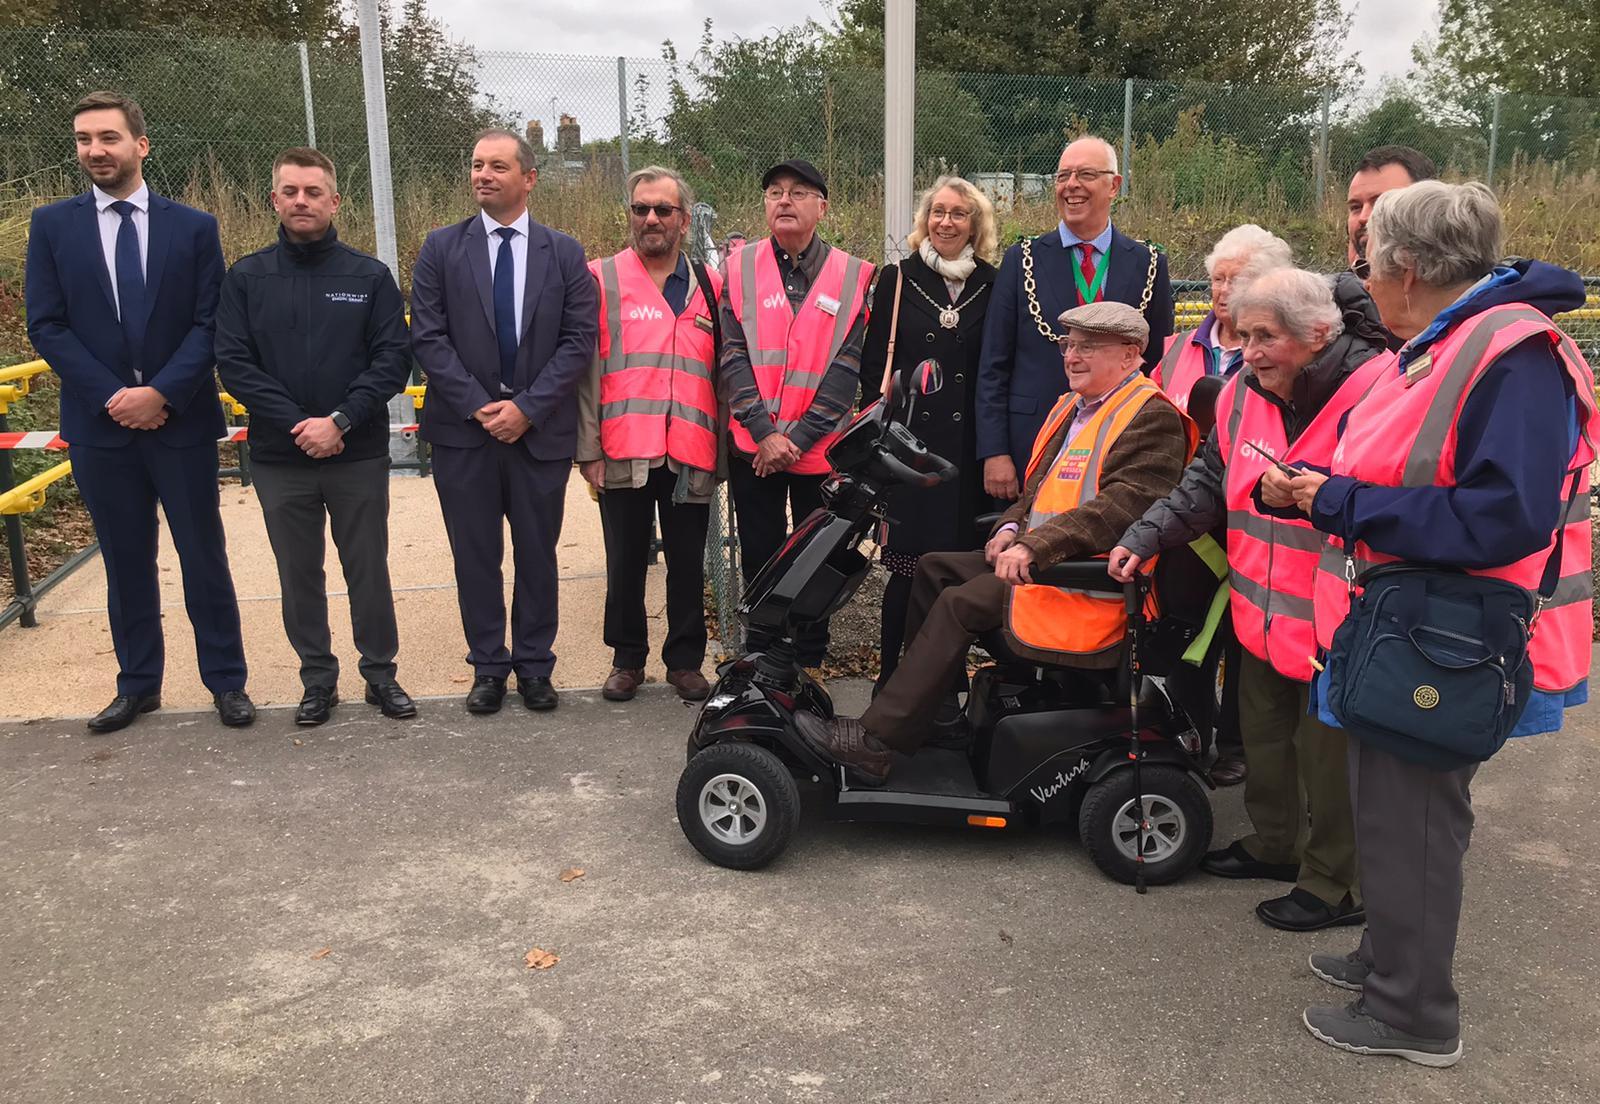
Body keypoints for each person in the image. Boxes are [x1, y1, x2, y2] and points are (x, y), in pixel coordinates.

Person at [1276, 182, 1597, 1067]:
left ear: (1406, 267)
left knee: (1416, 818)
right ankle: (1389, 959)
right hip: (1412, 619)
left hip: (1449, 630)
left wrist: (1343, 502)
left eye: (1366, 259)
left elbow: (1506, 515)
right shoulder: (1457, 340)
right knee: (1389, 811)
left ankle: (1414, 1012)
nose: (1363, 276)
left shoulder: (1512, 352)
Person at [798, 301, 1191, 784]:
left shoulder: (1152, 418)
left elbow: (1119, 511)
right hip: (1052, 567)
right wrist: (1009, 528)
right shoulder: (1078, 406)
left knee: (963, 603)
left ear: (1131, 355)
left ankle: (877, 742)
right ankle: (936, 718)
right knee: (933, 568)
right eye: (1068, 345)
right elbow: (1038, 491)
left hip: (1091, 589)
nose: (1071, 356)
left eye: (1089, 347)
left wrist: (1033, 546)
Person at [1112, 267, 1388, 932]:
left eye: (1268, 336)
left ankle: (1335, 884)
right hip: (1262, 611)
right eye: (1245, 335)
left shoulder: (1376, 393)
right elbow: (1208, 479)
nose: (1252, 350)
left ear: (1319, 335)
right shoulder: (1241, 392)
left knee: (1328, 757)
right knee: (1264, 737)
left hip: (1337, 619)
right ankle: (1276, 845)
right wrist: (1147, 535)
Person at [24, 91, 254, 732]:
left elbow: (212, 323)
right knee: (125, 561)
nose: (95, 150)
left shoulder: (194, 228)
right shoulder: (53, 225)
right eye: (83, 139)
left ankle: (227, 682)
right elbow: (46, 324)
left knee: (202, 555)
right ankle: (138, 685)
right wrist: (114, 396)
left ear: (140, 145)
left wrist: (161, 393)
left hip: (179, 421)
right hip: (101, 428)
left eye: (108, 137)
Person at [214, 147, 414, 727]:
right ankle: (317, 681)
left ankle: (381, 675)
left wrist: (341, 421)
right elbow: (235, 363)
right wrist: (299, 425)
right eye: (290, 192)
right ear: (274, 199)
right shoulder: (247, 278)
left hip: (357, 452)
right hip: (281, 456)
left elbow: (390, 361)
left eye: (313, 192)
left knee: (367, 569)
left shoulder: (369, 277)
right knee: (298, 574)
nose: (302, 201)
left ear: (334, 201)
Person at [411, 128, 598, 715]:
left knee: (537, 554)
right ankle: (488, 666)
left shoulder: (564, 253)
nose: (483, 175)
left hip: (538, 435)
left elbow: (578, 340)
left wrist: (528, 408)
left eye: (497, 166)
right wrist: (480, 405)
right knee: (475, 554)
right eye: (476, 165)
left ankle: (536, 666)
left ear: (529, 178)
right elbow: (428, 337)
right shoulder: (441, 248)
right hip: (464, 434)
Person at [1150, 224, 1294, 787]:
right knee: (1184, 632)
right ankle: (1191, 728)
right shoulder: (1173, 350)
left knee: (1246, 640)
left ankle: (1239, 746)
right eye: (1217, 277)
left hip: (1259, 523)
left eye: (1239, 277)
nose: (1224, 288)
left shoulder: (1287, 354)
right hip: (1189, 522)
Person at [719, 159, 873, 680]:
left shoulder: (855, 276)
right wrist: (765, 433)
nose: (784, 200)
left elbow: (848, 368)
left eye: (799, 192)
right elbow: (732, 354)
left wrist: (797, 438)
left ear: (821, 208)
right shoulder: (736, 269)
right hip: (754, 447)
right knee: (760, 550)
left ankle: (808, 654)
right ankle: (760, 651)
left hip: (819, 450)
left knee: (816, 553)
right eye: (775, 192)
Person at [577, 166, 722, 704]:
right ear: (631, 217)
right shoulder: (601, 279)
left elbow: (725, 372)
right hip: (623, 448)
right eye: (641, 209)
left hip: (691, 449)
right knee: (625, 559)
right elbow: (585, 369)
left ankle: (685, 662)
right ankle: (627, 659)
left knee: (687, 562)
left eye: (663, 209)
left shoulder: (711, 284)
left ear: (684, 220)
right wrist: (588, 448)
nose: (651, 219)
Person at [976, 136, 1174, 503]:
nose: (1071, 186)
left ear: (1114, 185)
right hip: (1032, 440)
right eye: (1063, 175)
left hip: (1119, 442)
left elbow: (1158, 364)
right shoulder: (1023, 258)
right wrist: (994, 452)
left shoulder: (1148, 263)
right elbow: (993, 364)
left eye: (1085, 174)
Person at [859, 176, 999, 686]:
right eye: (937, 212)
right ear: (925, 221)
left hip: (969, 455)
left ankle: (946, 681)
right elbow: (875, 362)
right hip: (911, 454)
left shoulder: (994, 283)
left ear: (974, 225)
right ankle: (890, 676)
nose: (946, 222)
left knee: (956, 574)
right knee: (906, 572)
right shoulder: (897, 280)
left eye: (958, 213)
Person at [1341, 146, 1438, 350]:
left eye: (1381, 203)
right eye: (1356, 207)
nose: (1364, 217)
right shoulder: (1334, 305)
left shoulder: (1454, 297)